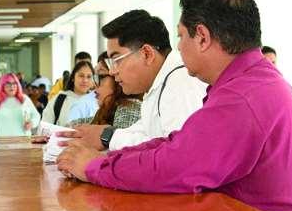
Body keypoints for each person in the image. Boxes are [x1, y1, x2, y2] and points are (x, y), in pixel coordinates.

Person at [58, 0, 292, 211]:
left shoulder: (242, 96)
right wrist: (108, 159)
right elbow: (177, 145)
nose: (179, 48)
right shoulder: (252, 82)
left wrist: (94, 167)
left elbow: (173, 166)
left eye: (181, 36)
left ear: (202, 37)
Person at [58, 9, 207, 151]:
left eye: (117, 60)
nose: (112, 71)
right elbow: (144, 134)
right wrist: (103, 134)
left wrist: (108, 138)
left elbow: (177, 152)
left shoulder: (180, 83)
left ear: (147, 54)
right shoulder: (157, 86)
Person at [69, 53, 142, 128]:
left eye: (101, 77)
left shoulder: (130, 108)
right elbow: (73, 125)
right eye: (95, 78)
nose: (94, 86)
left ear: (118, 77)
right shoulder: (106, 111)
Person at [41, 60, 96, 127]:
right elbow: (45, 126)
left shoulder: (96, 101)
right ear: (73, 78)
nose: (85, 80)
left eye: (89, 77)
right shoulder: (60, 99)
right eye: (81, 76)